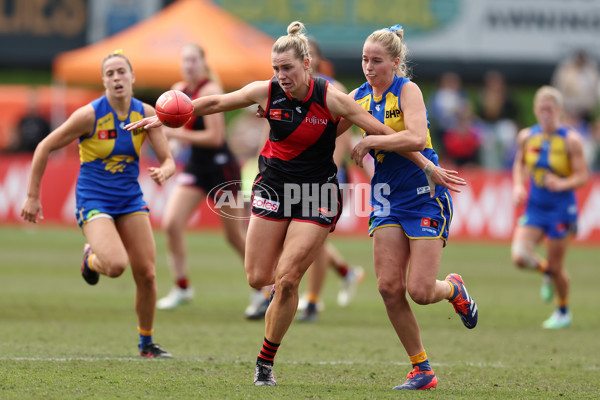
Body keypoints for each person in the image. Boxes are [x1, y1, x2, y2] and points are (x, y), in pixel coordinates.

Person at [127, 21, 464, 386]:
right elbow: (216, 102)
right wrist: (164, 116)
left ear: (307, 64)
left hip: (317, 193)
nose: (280, 75)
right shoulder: (267, 92)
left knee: (287, 279)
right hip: (273, 187)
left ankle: (265, 363)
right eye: (275, 68)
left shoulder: (333, 97)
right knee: (258, 277)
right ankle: (300, 292)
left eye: (287, 68)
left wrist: (430, 164)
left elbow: (384, 132)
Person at [338, 25, 479, 390]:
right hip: (386, 195)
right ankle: (422, 369)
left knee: (420, 290)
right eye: (365, 60)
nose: (369, 67)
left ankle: (453, 290)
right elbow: (325, 126)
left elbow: (417, 137)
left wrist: (369, 139)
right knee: (388, 287)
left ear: (396, 62)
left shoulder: (408, 90)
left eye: (377, 60)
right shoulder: (357, 97)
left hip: (423, 192)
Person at [21, 50, 175, 358]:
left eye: (122, 72)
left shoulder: (145, 113)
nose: (117, 78)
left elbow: (168, 159)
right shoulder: (89, 115)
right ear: (103, 81)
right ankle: (90, 258)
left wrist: (165, 172)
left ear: (133, 78)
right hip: (94, 199)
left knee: (147, 274)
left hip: (130, 199)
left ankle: (147, 344)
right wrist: (32, 196)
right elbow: (44, 146)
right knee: (116, 266)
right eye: (110, 73)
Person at [155, 43, 247, 311]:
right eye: (185, 60)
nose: (189, 65)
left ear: (203, 63)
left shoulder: (210, 90)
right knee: (171, 224)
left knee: (234, 236)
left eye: (193, 60)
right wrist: (169, 153)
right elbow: (173, 134)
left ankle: (264, 289)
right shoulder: (178, 90)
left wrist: (176, 135)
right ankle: (182, 287)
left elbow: (216, 137)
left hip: (222, 167)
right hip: (196, 166)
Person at [510, 85, 589, 329]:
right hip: (535, 206)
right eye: (541, 108)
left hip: (561, 209)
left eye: (550, 108)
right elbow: (520, 163)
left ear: (559, 111)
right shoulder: (526, 136)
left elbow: (583, 176)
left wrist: (563, 182)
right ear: (535, 109)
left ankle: (563, 310)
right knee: (520, 256)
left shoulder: (571, 140)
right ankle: (546, 272)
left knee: (557, 267)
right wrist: (518, 186)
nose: (545, 112)